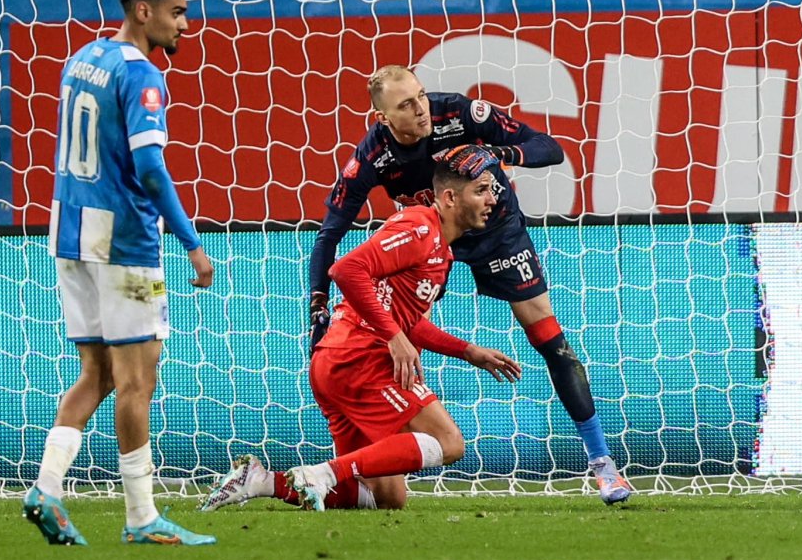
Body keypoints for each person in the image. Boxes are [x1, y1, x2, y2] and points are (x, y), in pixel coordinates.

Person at [307, 65, 632, 504]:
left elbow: (548, 147)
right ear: (383, 118)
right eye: (406, 104)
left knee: (550, 340)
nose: (421, 109)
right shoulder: (370, 158)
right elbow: (331, 234)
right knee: (389, 325)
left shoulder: (460, 114)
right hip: (432, 236)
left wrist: (502, 157)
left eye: (421, 96)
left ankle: (602, 464)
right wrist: (318, 307)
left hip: (497, 233)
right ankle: (360, 464)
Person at [200, 146, 522, 512]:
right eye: (481, 190)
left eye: (492, 190)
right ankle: (320, 474)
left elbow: (408, 322)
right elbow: (346, 269)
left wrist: (467, 351)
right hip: (360, 359)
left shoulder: (441, 251)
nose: (492, 199)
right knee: (448, 442)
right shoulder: (419, 227)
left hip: (335, 364)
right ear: (449, 197)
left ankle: (261, 481)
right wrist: (393, 337)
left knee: (387, 496)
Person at [22, 0, 216, 546]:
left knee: (98, 373)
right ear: (144, 9)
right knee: (140, 376)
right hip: (128, 246)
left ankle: (47, 489)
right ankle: (140, 516)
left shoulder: (82, 59)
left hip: (71, 235)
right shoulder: (142, 77)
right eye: (178, 12)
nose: (186, 25)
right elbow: (151, 169)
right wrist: (193, 245)